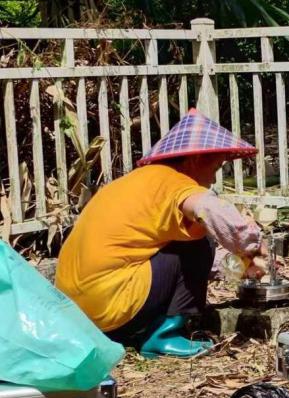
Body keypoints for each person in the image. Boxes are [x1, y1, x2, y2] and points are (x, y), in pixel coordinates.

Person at [55, 108, 266, 358]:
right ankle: (164, 335)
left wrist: (234, 265)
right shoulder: (175, 185)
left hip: (79, 321)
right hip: (111, 310)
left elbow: (155, 253)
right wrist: (252, 246)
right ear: (195, 160)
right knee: (199, 245)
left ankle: (143, 330)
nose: (212, 179)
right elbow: (208, 208)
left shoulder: (139, 182)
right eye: (216, 167)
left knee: (192, 240)